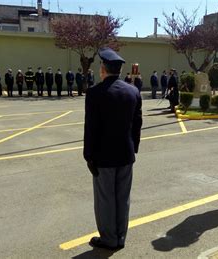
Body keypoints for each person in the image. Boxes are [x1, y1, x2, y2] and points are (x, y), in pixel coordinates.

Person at [84, 47, 142, 251]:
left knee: (105, 200)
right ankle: (120, 237)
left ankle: (109, 239)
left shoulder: (94, 93)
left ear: (103, 68)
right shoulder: (133, 91)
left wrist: (88, 156)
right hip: (126, 154)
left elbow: (91, 128)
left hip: (103, 157)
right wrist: (133, 148)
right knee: (122, 198)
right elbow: (137, 123)